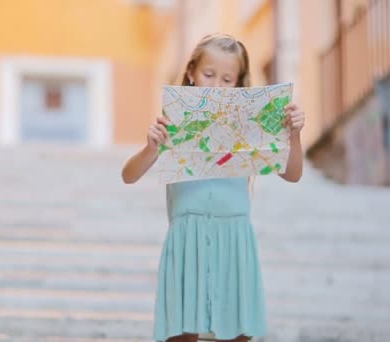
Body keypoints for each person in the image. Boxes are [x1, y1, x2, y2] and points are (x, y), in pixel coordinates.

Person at [121, 33, 305, 342]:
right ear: (191, 73)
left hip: (234, 239)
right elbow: (129, 175)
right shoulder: (172, 124)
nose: (216, 86)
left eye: (227, 79)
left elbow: (292, 173)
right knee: (181, 334)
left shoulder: (250, 128)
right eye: (208, 75)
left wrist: (294, 134)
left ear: (238, 84)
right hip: (187, 239)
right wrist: (151, 147)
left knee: (238, 334)